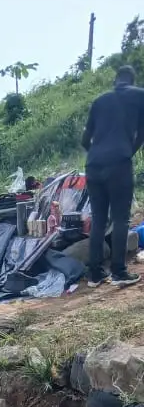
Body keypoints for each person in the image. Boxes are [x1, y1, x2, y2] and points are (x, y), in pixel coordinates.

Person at [81, 64, 144, 287]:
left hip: (93, 165)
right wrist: (126, 152)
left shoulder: (100, 101)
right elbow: (141, 134)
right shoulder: (140, 96)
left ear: (115, 81)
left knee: (98, 219)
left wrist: (99, 156)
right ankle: (118, 272)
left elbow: (84, 140)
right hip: (119, 164)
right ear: (132, 80)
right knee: (120, 218)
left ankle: (95, 274)